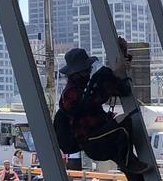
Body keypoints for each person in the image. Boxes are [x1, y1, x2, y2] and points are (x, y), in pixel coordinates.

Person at [58, 38, 150, 181]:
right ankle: (129, 162)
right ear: (77, 72)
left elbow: (120, 90)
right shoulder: (72, 93)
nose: (89, 72)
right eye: (86, 70)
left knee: (136, 176)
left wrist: (120, 65)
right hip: (94, 141)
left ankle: (129, 163)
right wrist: (114, 74)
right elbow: (88, 102)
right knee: (124, 126)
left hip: (100, 138)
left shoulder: (84, 88)